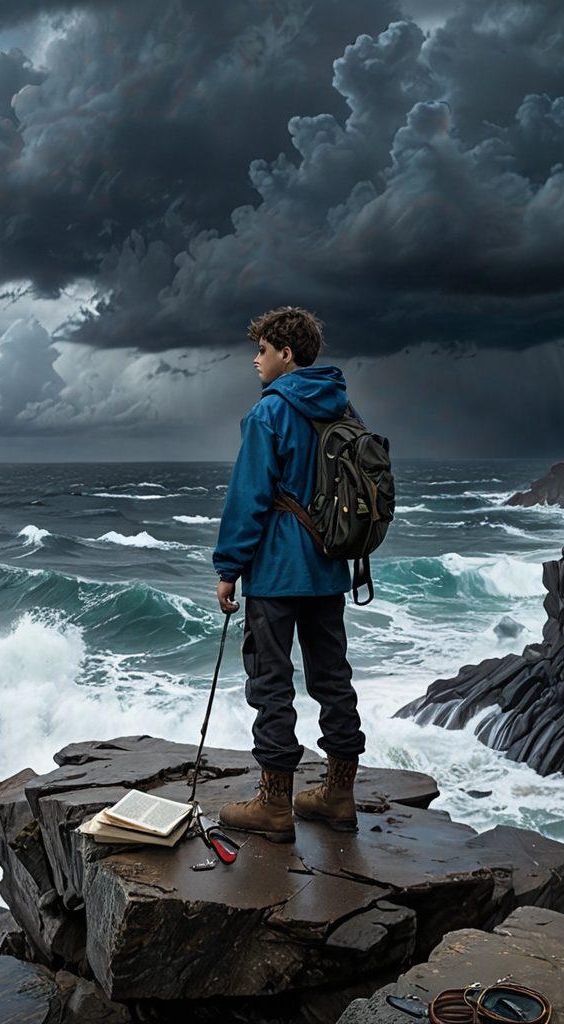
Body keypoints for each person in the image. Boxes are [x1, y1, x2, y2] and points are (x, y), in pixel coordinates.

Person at [212, 306, 365, 843]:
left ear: (287, 354)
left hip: (276, 571)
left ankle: (275, 805)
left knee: (271, 682)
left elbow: (249, 497)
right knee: (332, 677)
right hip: (329, 568)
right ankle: (339, 795)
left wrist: (229, 568)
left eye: (262, 349)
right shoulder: (343, 407)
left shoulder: (268, 414)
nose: (255, 359)